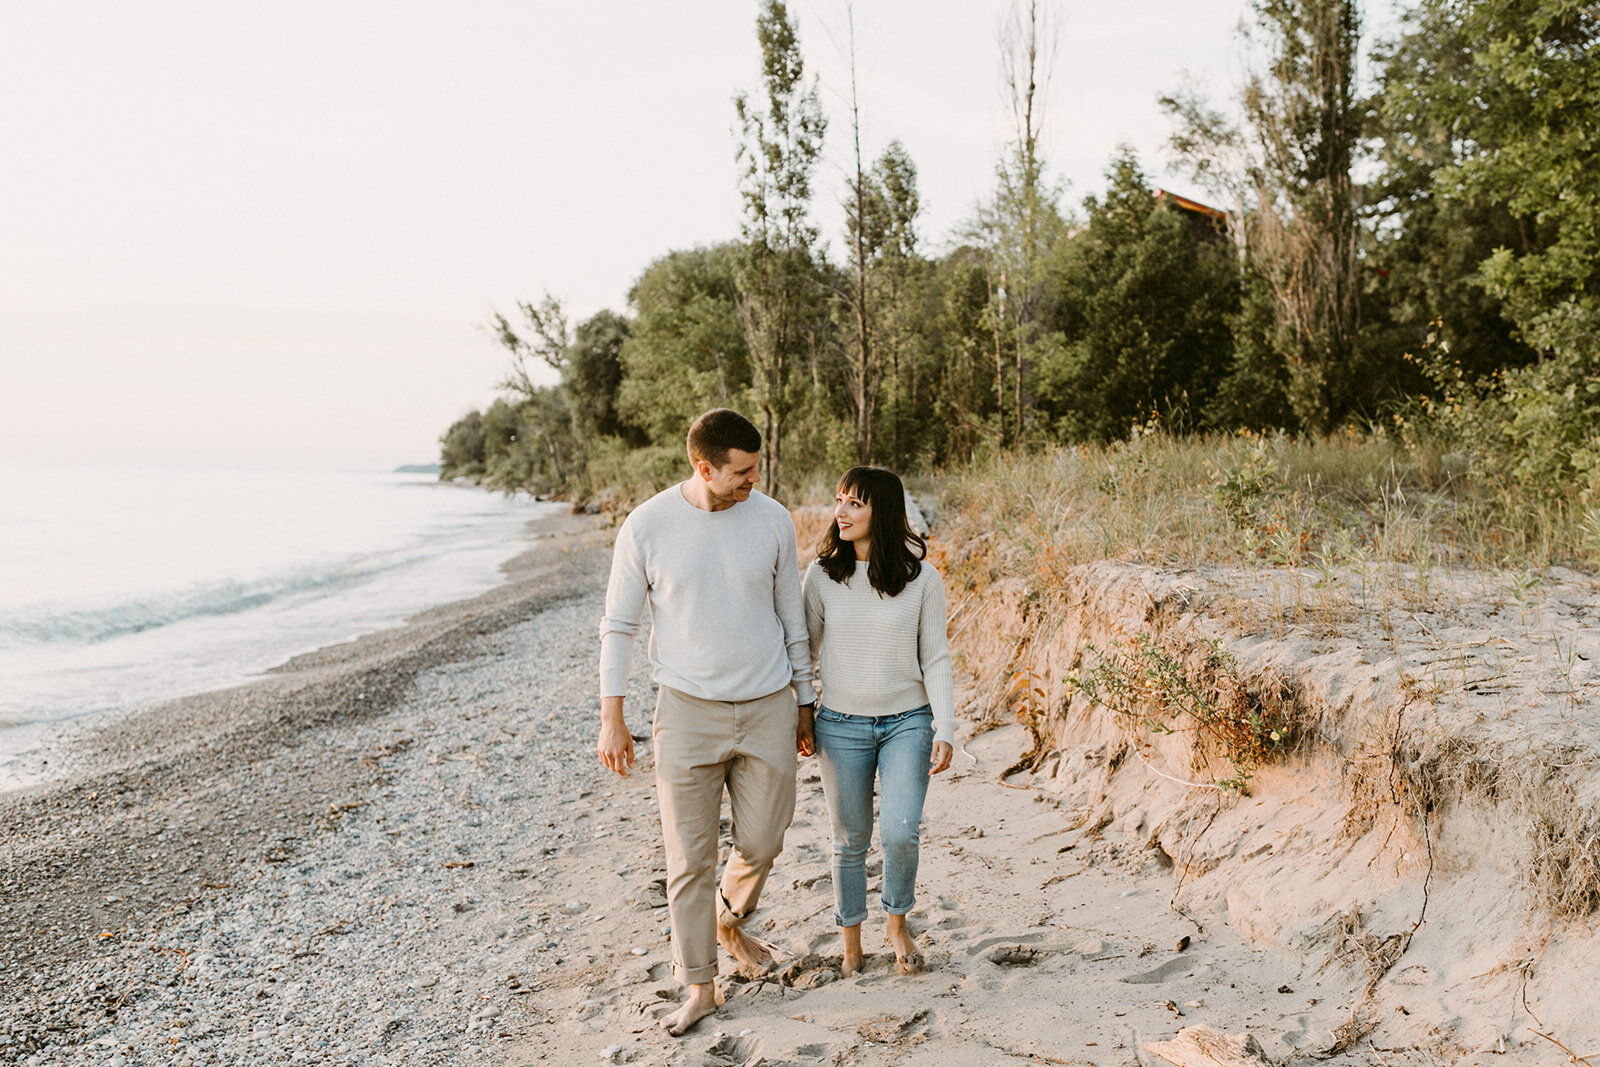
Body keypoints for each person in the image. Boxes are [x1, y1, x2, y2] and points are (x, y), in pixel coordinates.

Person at [596, 408, 816, 1036]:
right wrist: (612, 716)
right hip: (686, 713)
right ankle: (700, 985)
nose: (754, 481)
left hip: (769, 702)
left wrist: (804, 701)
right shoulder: (647, 526)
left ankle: (729, 916)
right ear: (705, 467)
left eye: (756, 469)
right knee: (688, 859)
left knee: (764, 840)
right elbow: (619, 626)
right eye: (743, 472)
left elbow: (791, 619)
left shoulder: (771, 520)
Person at [801, 466, 954, 977]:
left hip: (909, 721)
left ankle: (895, 922)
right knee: (850, 839)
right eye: (839, 500)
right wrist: (801, 714)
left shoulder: (921, 578)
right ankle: (850, 940)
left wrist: (947, 727)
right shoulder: (821, 575)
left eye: (854, 504)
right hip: (840, 724)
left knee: (900, 831)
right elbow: (804, 652)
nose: (840, 513)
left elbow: (936, 658)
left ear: (881, 512)